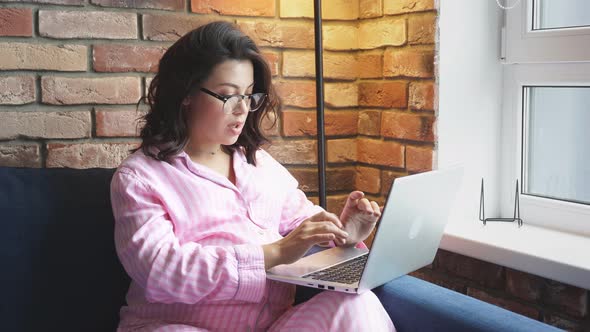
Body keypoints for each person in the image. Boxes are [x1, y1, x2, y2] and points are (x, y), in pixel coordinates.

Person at [110, 21, 395, 332]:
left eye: (249, 96)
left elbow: (306, 223)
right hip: (175, 326)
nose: (242, 109)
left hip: (271, 326)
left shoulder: (259, 164)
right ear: (186, 94)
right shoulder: (140, 178)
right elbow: (160, 271)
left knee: (357, 303)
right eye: (228, 96)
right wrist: (276, 252)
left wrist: (344, 233)